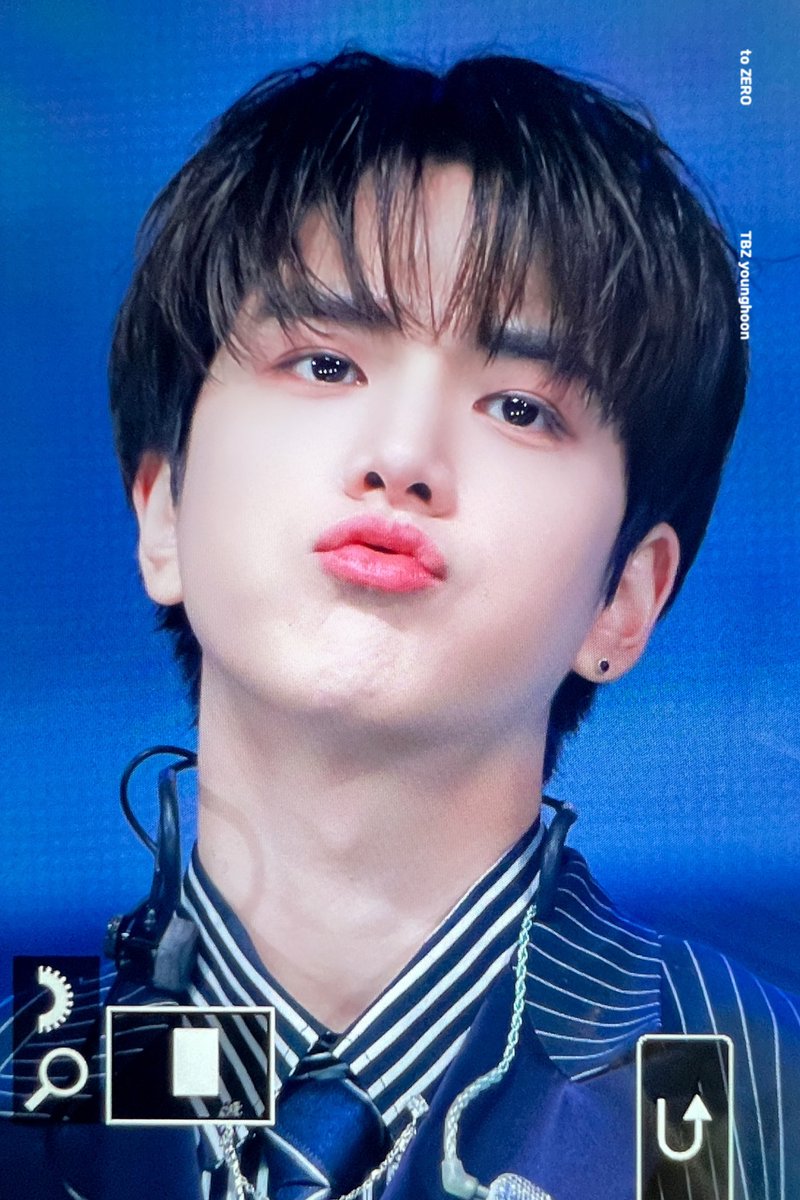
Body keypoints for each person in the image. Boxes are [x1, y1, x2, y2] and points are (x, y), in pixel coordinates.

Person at [1, 49, 797, 1200]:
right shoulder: (27, 1088)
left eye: (518, 407)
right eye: (324, 363)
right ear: (163, 511)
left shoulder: (733, 1088)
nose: (402, 457)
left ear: (625, 597)